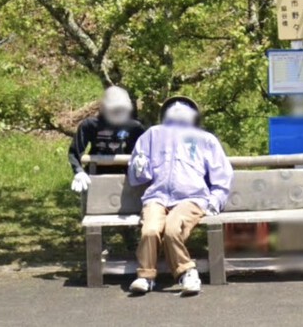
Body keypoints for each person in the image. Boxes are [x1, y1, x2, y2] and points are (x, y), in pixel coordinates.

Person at [127, 97, 234, 296]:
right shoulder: (151, 135)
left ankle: (188, 273)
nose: (178, 111)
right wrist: (139, 167)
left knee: (172, 228)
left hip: (192, 197)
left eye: (184, 108)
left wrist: (215, 200)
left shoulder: (205, 139)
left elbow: (222, 175)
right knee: (150, 230)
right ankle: (145, 276)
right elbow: (138, 178)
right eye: (173, 108)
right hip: (157, 196)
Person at [68, 86, 145, 192]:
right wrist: (79, 171)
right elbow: (75, 151)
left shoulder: (135, 128)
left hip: (125, 173)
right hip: (95, 172)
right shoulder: (90, 125)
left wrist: (141, 164)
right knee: (95, 205)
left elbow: (144, 152)